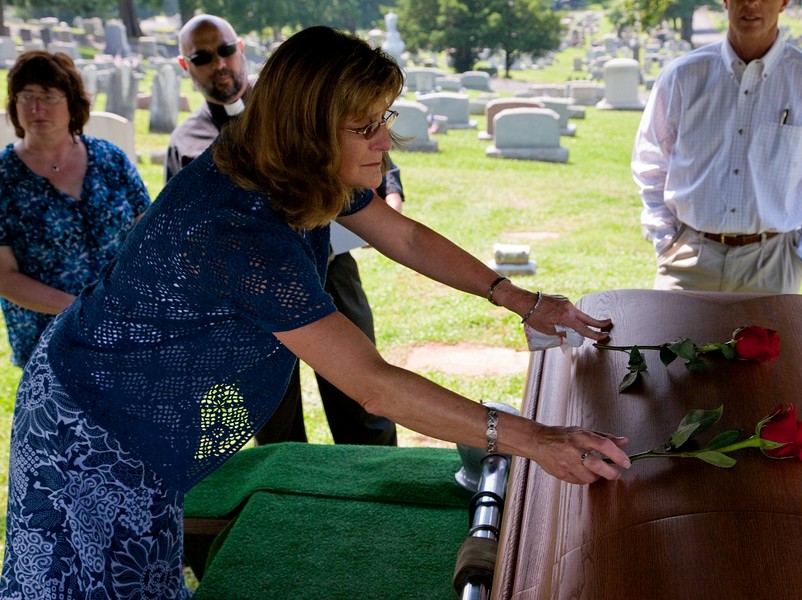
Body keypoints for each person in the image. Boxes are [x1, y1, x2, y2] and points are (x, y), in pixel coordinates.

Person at [0, 27, 632, 598]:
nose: (385, 141)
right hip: (91, 424)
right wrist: (536, 440)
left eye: (382, 118)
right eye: (365, 127)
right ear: (308, 128)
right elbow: (373, 385)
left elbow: (405, 236)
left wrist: (521, 299)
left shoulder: (297, 163)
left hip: (140, 403)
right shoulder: (239, 231)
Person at [168, 14, 399, 447]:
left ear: (240, 49)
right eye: (203, 57)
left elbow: (376, 165)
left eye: (225, 50)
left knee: (362, 401)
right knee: (273, 415)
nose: (219, 64)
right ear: (186, 65)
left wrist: (389, 201)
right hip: (250, 296)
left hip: (329, 266)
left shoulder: (295, 106)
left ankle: (377, 476)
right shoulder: (186, 141)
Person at [631, 0, 802, 294]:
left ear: (784, 2)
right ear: (725, 1)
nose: (752, 3)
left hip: (772, 267)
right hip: (687, 260)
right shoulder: (682, 76)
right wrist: (665, 239)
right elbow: (651, 162)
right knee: (664, 327)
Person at [0, 50, 150, 368]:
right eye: (26, 97)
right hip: (50, 341)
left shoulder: (110, 159)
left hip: (124, 329)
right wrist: (82, 309)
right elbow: (4, 275)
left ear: (72, 102)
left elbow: (148, 235)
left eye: (48, 96)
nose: (36, 108)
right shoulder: (4, 177)